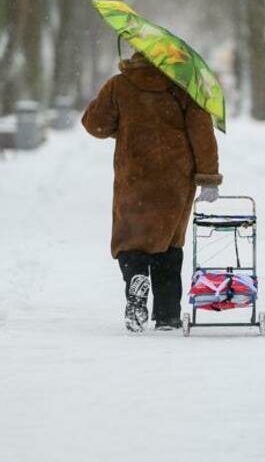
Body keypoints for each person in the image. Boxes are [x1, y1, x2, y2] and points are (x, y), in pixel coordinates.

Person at [82, 51, 223, 332]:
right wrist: (208, 177)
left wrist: (118, 120)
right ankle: (168, 314)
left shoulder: (119, 85)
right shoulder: (184, 86)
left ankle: (135, 276)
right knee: (169, 244)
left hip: (134, 174)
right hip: (175, 177)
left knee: (130, 238)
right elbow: (201, 132)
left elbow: (95, 125)